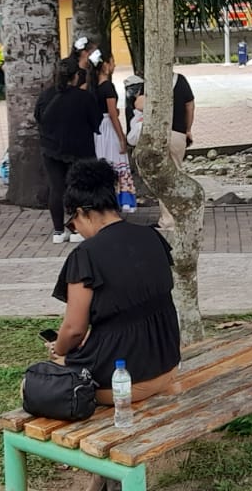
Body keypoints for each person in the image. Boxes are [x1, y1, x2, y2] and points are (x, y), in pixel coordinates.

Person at [46, 159, 181, 420]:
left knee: (37, 380)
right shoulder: (152, 237)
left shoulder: (86, 255)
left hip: (122, 382)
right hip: (167, 366)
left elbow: (73, 330)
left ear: (82, 212)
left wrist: (59, 351)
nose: (76, 230)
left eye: (73, 223)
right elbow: (133, 304)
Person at [37, 57, 104, 243]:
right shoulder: (84, 97)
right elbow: (96, 121)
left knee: (56, 188)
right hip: (80, 148)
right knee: (80, 187)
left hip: (51, 149)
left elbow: (38, 118)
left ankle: (58, 231)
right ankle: (78, 230)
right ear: (76, 76)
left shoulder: (45, 96)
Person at [91, 50, 137, 212]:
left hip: (98, 130)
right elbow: (112, 114)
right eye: (112, 62)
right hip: (108, 129)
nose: (114, 65)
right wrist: (122, 137)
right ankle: (120, 200)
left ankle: (103, 201)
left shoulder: (93, 87)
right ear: (105, 65)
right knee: (116, 162)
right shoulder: (108, 87)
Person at [170, 72, 195, 162]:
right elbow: (190, 106)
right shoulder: (180, 79)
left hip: (153, 133)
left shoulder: (149, 81)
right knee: (176, 165)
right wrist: (188, 130)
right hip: (177, 132)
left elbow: (138, 105)